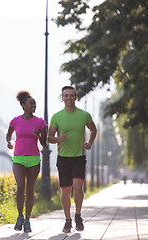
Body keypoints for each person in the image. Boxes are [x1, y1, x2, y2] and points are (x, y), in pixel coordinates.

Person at [48, 86, 97, 234]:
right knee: (65, 191)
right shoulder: (57, 116)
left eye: (71, 95)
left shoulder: (84, 115)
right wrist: (58, 139)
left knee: (77, 187)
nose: (68, 98)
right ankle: (68, 220)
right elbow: (49, 137)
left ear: (76, 97)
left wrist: (89, 143)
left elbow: (93, 130)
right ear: (62, 98)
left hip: (79, 157)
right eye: (66, 95)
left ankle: (78, 216)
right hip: (63, 158)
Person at [6, 91, 47, 233]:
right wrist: (9, 143)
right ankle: (20, 216)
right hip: (18, 158)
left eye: (34, 103)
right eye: (31, 103)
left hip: (34, 159)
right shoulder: (15, 121)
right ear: (23, 106)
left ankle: (28, 220)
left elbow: (45, 144)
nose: (33, 105)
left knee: (30, 190)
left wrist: (39, 136)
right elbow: (8, 135)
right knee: (20, 187)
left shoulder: (40, 122)